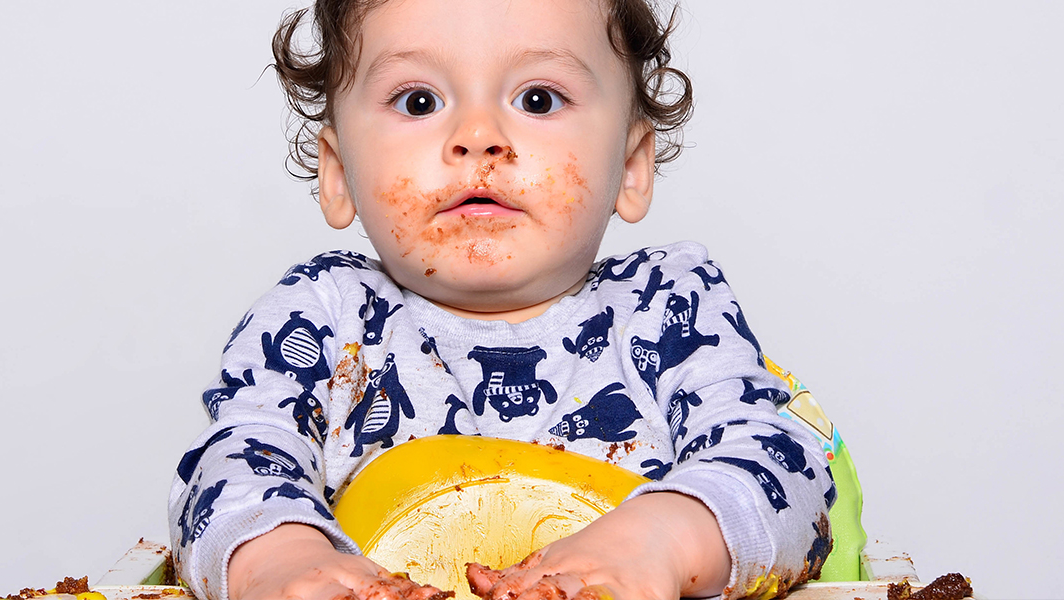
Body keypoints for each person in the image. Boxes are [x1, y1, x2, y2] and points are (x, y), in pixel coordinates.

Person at [169, 1, 836, 599]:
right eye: (419, 101)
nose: (479, 136)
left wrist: (660, 540)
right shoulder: (319, 320)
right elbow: (234, 465)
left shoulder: (670, 313)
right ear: (338, 174)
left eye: (539, 99)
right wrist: (280, 560)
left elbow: (784, 473)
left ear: (631, 167)